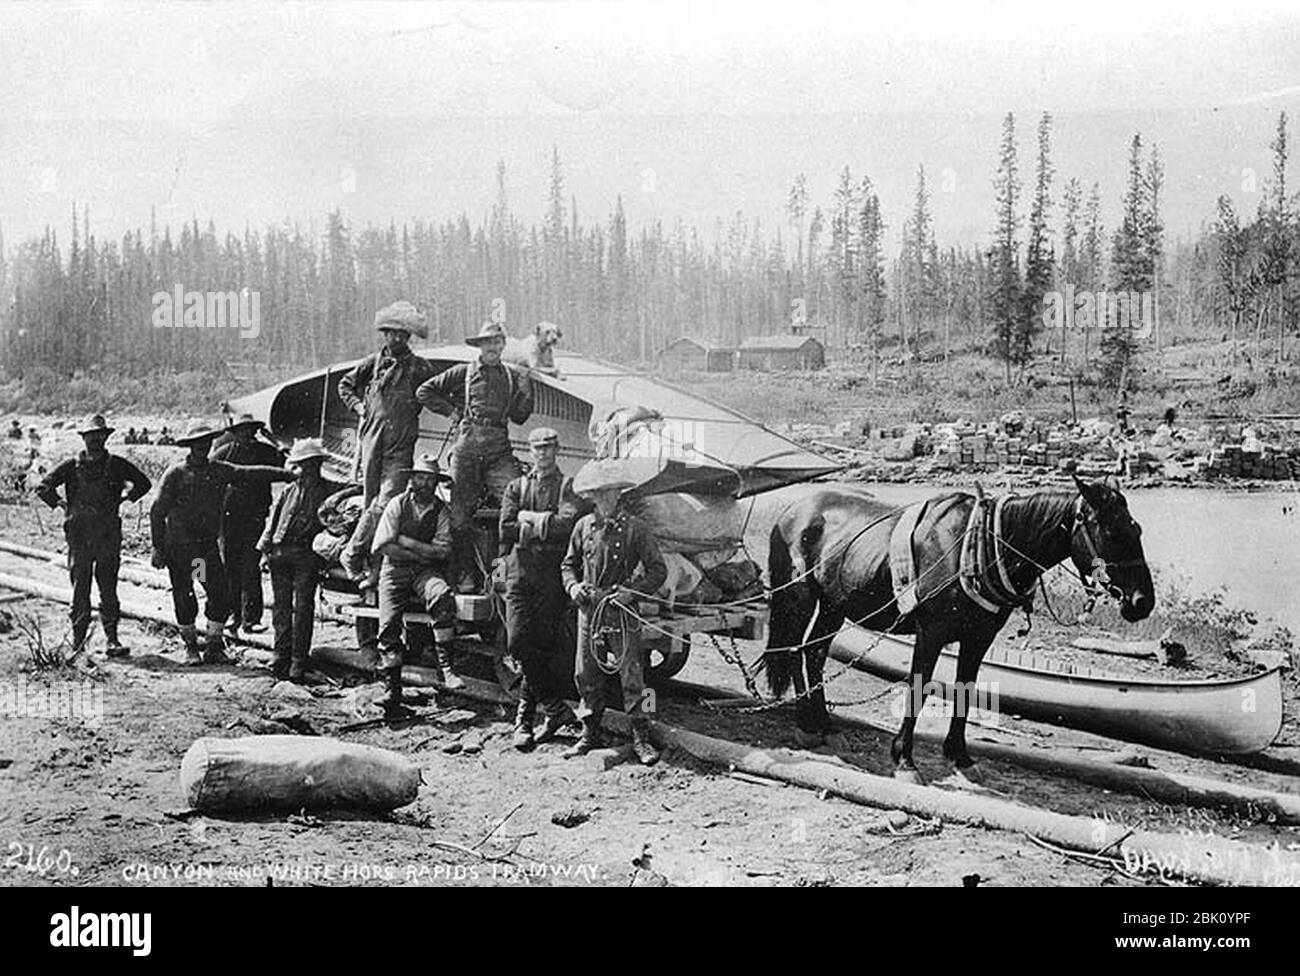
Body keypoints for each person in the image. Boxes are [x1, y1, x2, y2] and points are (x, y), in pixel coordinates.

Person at [150, 421, 295, 665]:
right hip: (180, 549)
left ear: (209, 445)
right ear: (189, 447)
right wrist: (157, 547)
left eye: (205, 443)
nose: (201, 448)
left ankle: (214, 645)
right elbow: (157, 511)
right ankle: (191, 647)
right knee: (185, 595)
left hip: (202, 553)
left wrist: (288, 474)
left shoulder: (218, 470)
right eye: (196, 444)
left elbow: (250, 473)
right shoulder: (176, 474)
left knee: (219, 594)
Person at [560, 461, 667, 765]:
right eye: (598, 493)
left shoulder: (636, 529)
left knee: (635, 677)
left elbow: (658, 570)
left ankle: (642, 738)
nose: (604, 498)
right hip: (589, 607)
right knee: (585, 674)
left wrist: (632, 592)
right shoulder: (583, 526)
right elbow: (568, 565)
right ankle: (589, 734)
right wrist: (573, 587)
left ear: (619, 493)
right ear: (591, 496)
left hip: (621, 608)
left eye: (610, 492)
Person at [416, 320, 534, 593]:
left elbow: (520, 416)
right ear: (479, 346)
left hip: (498, 450)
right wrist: (452, 413)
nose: (492, 347)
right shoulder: (463, 372)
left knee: (517, 505)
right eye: (486, 343)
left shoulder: (511, 376)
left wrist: (527, 388)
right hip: (467, 449)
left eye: (496, 342)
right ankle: (465, 574)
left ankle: (500, 574)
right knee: (459, 518)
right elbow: (424, 392)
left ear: (503, 345)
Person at [499, 427, 590, 751]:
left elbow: (567, 525)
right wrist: (543, 526)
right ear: (530, 451)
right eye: (538, 448)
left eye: (550, 448)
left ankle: (525, 720)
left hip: (552, 577)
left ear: (557, 449)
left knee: (543, 647)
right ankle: (554, 707)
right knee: (518, 641)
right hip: (519, 575)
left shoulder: (569, 487)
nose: (544, 454)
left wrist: (528, 519)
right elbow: (506, 529)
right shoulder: (516, 486)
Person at [35, 414, 151, 658]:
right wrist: (60, 504)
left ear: (106, 437)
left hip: (108, 533)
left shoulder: (117, 464)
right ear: (84, 439)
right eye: (90, 436)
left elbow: (144, 483)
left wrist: (126, 498)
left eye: (99, 436)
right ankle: (78, 643)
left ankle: (112, 640)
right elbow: (43, 487)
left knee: (108, 586)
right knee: (80, 587)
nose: (95, 440)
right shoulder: (70, 466)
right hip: (79, 535)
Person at [372, 454, 458, 714]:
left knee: (442, 595)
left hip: (425, 572)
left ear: (436, 482)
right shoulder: (397, 505)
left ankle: (446, 670)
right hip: (394, 569)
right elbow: (384, 545)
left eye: (430, 479)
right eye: (420, 477)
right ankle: (392, 690)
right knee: (388, 624)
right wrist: (420, 552)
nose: (425, 483)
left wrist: (408, 543)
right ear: (412, 479)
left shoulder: (442, 511)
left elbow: (443, 551)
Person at [258, 438, 347, 682]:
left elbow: (353, 488)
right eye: (303, 464)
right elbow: (273, 521)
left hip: (307, 556)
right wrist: (265, 550)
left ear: (318, 464)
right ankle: (280, 654)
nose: (307, 469)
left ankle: (298, 660)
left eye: (311, 464)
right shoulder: (289, 490)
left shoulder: (329, 490)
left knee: (303, 608)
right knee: (281, 608)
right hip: (280, 553)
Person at [212, 412, 286, 636]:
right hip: (228, 518)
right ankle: (232, 616)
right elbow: (208, 478)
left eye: (251, 430)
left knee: (251, 566)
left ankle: (251, 619)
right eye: (243, 431)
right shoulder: (225, 453)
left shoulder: (265, 451)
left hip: (254, 517)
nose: (248, 435)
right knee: (230, 567)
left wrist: (274, 440)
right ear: (235, 433)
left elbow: (288, 462)